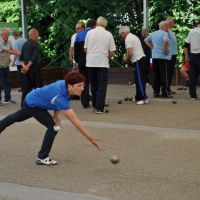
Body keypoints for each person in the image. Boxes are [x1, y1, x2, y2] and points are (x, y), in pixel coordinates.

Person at [0, 71, 101, 165]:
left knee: (16, 117)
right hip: (34, 104)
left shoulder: (64, 84)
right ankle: (42, 157)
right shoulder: (60, 96)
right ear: (70, 86)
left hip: (32, 99)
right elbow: (75, 121)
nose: (82, 88)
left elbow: (56, 100)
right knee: (53, 127)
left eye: (83, 85)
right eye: (79, 85)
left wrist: (55, 115)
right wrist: (90, 138)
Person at [84, 16, 116, 114]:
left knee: (93, 85)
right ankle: (99, 107)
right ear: (105, 24)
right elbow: (112, 51)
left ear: (97, 23)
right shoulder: (108, 34)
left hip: (90, 62)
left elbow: (85, 49)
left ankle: (94, 106)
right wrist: (108, 57)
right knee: (101, 86)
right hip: (102, 63)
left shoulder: (89, 33)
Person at [119, 26, 148, 105]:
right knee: (139, 79)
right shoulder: (133, 36)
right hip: (140, 59)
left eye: (120, 35)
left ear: (123, 33)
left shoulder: (128, 39)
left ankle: (143, 98)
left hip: (137, 60)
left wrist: (126, 59)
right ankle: (139, 96)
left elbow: (130, 53)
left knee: (139, 80)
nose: (121, 36)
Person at [145, 21, 172, 98]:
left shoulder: (154, 33)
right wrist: (165, 49)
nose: (168, 27)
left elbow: (146, 40)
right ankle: (165, 92)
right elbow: (166, 41)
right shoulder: (164, 33)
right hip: (163, 56)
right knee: (164, 74)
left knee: (155, 74)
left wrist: (151, 47)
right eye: (166, 26)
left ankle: (156, 92)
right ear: (163, 26)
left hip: (154, 56)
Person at [74, 19, 96, 108]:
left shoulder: (78, 35)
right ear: (94, 26)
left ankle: (85, 103)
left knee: (84, 82)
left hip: (82, 63)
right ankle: (96, 102)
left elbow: (75, 51)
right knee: (95, 82)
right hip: (93, 62)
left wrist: (77, 61)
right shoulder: (94, 34)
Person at [19, 28, 43, 107]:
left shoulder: (24, 44)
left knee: (26, 87)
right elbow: (34, 57)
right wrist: (28, 66)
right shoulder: (35, 44)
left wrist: (24, 67)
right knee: (38, 87)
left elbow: (20, 58)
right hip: (34, 68)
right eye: (37, 35)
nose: (38, 36)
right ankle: (39, 104)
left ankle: (23, 105)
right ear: (34, 34)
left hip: (26, 69)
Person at [0, 27, 20, 104]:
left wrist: (20, 52)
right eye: (6, 35)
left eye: (8, 35)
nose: (8, 36)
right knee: (0, 84)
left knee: (7, 82)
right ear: (2, 35)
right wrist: (17, 53)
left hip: (6, 65)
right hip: (0, 66)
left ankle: (7, 99)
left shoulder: (9, 42)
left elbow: (13, 49)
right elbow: (6, 49)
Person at [184, 19, 200, 100]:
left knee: (192, 76)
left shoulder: (191, 31)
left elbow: (186, 45)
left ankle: (193, 95)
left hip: (193, 56)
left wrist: (186, 56)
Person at [166, 17, 178, 95]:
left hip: (173, 54)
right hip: (169, 55)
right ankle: (166, 89)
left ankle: (168, 88)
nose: (174, 23)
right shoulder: (166, 31)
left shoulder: (170, 31)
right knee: (168, 72)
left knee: (170, 72)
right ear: (169, 23)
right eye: (173, 22)